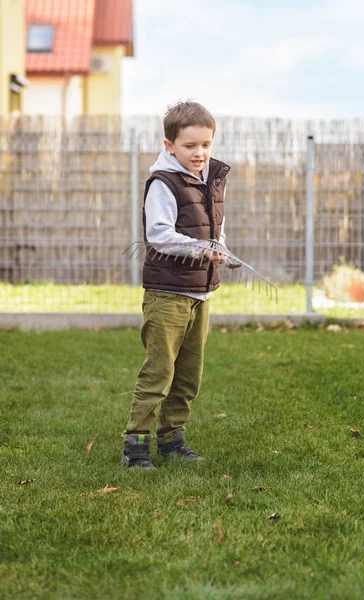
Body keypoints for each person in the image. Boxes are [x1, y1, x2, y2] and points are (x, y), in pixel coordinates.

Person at [122, 101, 233, 470]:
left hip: (199, 295)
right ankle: (136, 446)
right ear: (170, 145)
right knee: (158, 372)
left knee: (188, 375)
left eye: (206, 144)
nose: (199, 153)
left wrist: (220, 249)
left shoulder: (210, 180)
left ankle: (172, 439)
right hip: (167, 294)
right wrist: (203, 249)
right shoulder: (164, 183)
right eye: (190, 146)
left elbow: (214, 230)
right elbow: (159, 236)